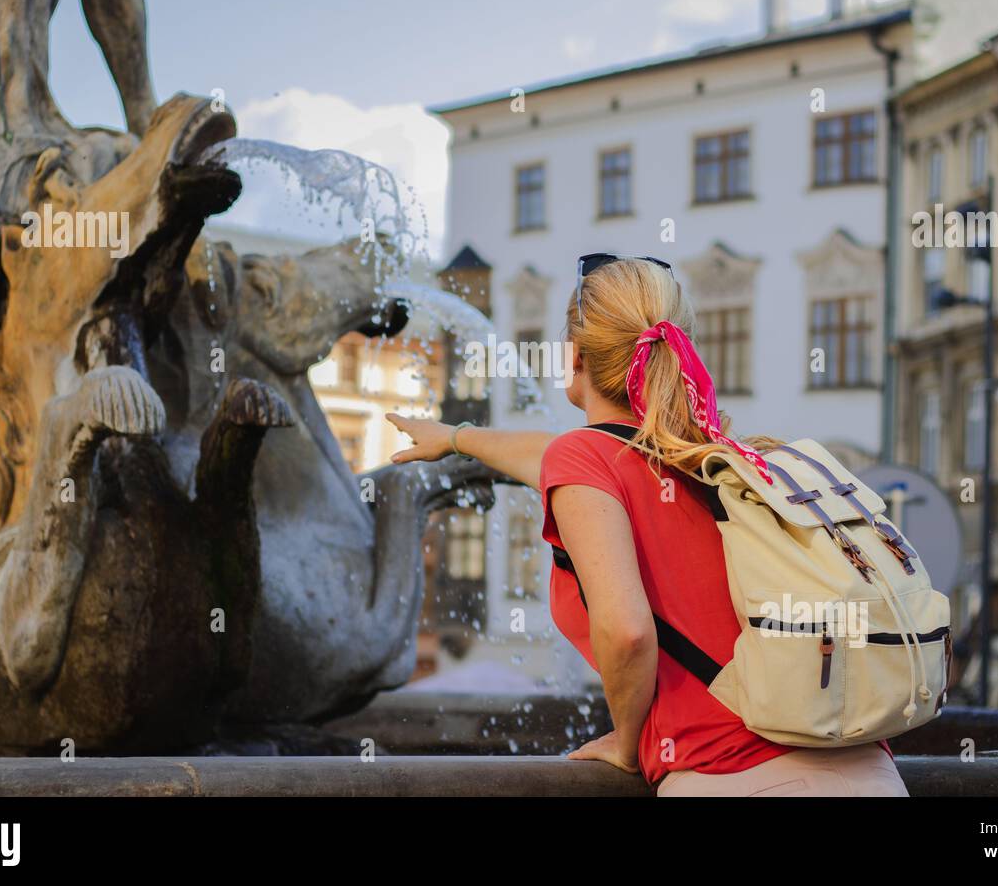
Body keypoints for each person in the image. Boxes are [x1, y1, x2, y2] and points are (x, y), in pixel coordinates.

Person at [387, 254, 908, 797]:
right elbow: (558, 457)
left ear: (575, 357)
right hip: (868, 770)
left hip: (736, 778)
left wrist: (626, 740)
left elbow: (628, 632)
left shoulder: (587, 460)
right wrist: (456, 437)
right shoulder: (721, 455)